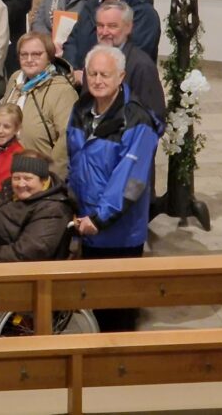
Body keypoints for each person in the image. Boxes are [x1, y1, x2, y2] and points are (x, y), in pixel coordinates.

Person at [67, 46, 161, 332]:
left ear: (120, 76)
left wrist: (100, 218)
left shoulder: (137, 120)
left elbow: (129, 182)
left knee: (116, 315)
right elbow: (74, 161)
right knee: (91, 309)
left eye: (105, 74)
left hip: (118, 232)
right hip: (87, 225)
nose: (97, 80)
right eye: (92, 73)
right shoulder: (81, 108)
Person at [0, 150, 75, 264]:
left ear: (43, 181)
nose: (21, 184)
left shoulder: (53, 208)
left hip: (10, 271)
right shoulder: (8, 192)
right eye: (16, 178)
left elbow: (29, 251)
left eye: (28, 178)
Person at [63, 0, 161, 81]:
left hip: (125, 88)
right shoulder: (91, 5)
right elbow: (72, 42)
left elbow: (134, 58)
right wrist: (73, 71)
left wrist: (90, 76)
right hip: (81, 82)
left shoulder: (144, 13)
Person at [1, 32, 77, 178]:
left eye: (36, 54)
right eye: (24, 54)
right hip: (6, 170)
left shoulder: (62, 90)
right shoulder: (15, 79)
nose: (29, 60)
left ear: (49, 57)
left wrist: (51, 178)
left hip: (40, 177)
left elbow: (66, 141)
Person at [93, 0, 167, 119]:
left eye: (112, 26)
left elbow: (155, 117)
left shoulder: (141, 66)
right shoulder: (93, 61)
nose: (104, 32)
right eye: (100, 25)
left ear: (128, 27)